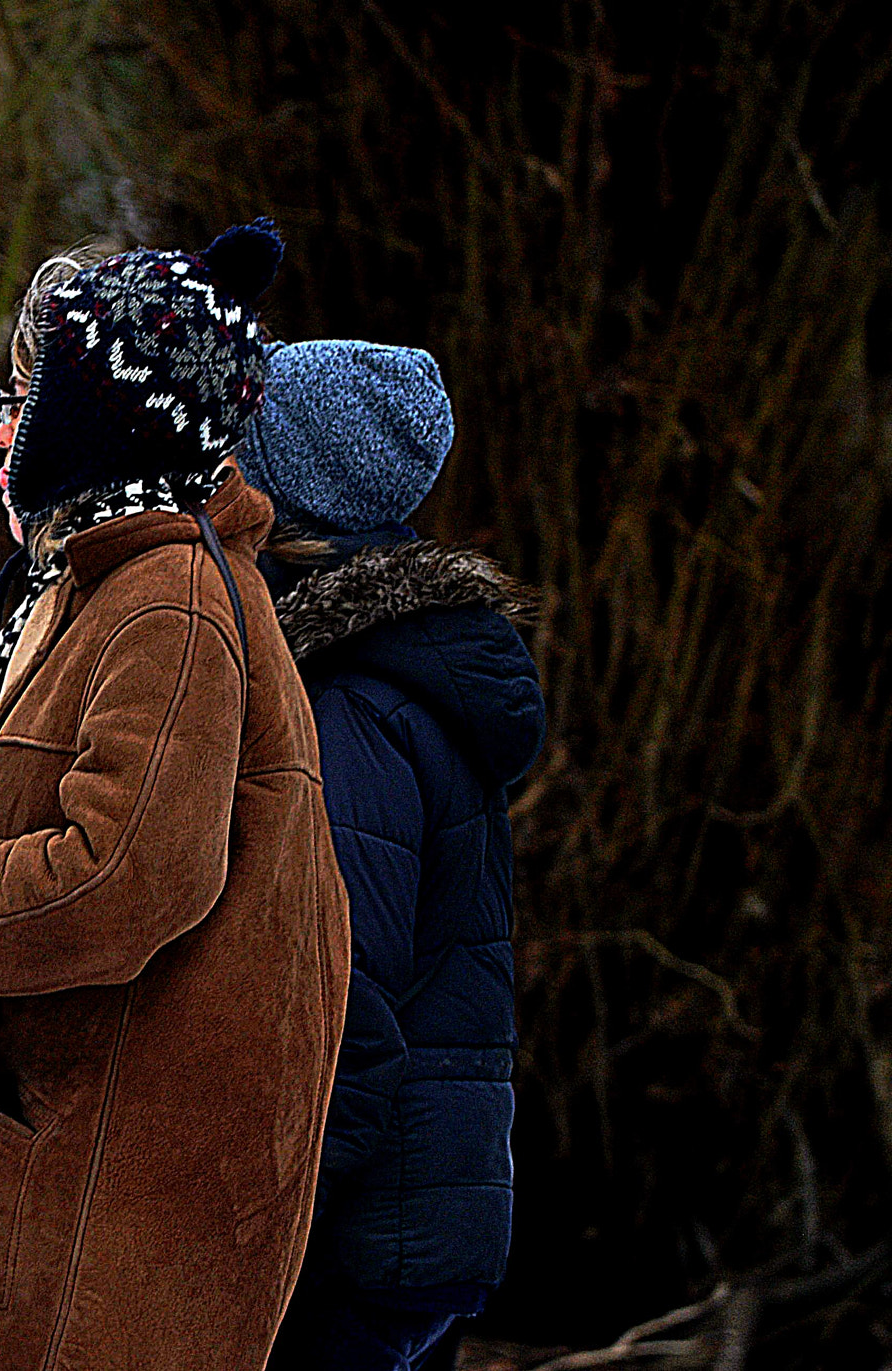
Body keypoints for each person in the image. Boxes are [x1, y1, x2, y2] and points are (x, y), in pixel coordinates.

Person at [0, 223, 350, 1371]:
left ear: (91, 423)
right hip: (38, 1203)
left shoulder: (168, 603)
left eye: (25, 396)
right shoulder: (102, 590)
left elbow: (116, 879)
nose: (1, 429)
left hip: (77, 1238)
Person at [235, 338, 547, 1371]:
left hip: (355, 1238)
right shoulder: (391, 670)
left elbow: (340, 1007)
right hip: (415, 1212)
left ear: (283, 490)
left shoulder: (345, 707)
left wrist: (256, 1233)